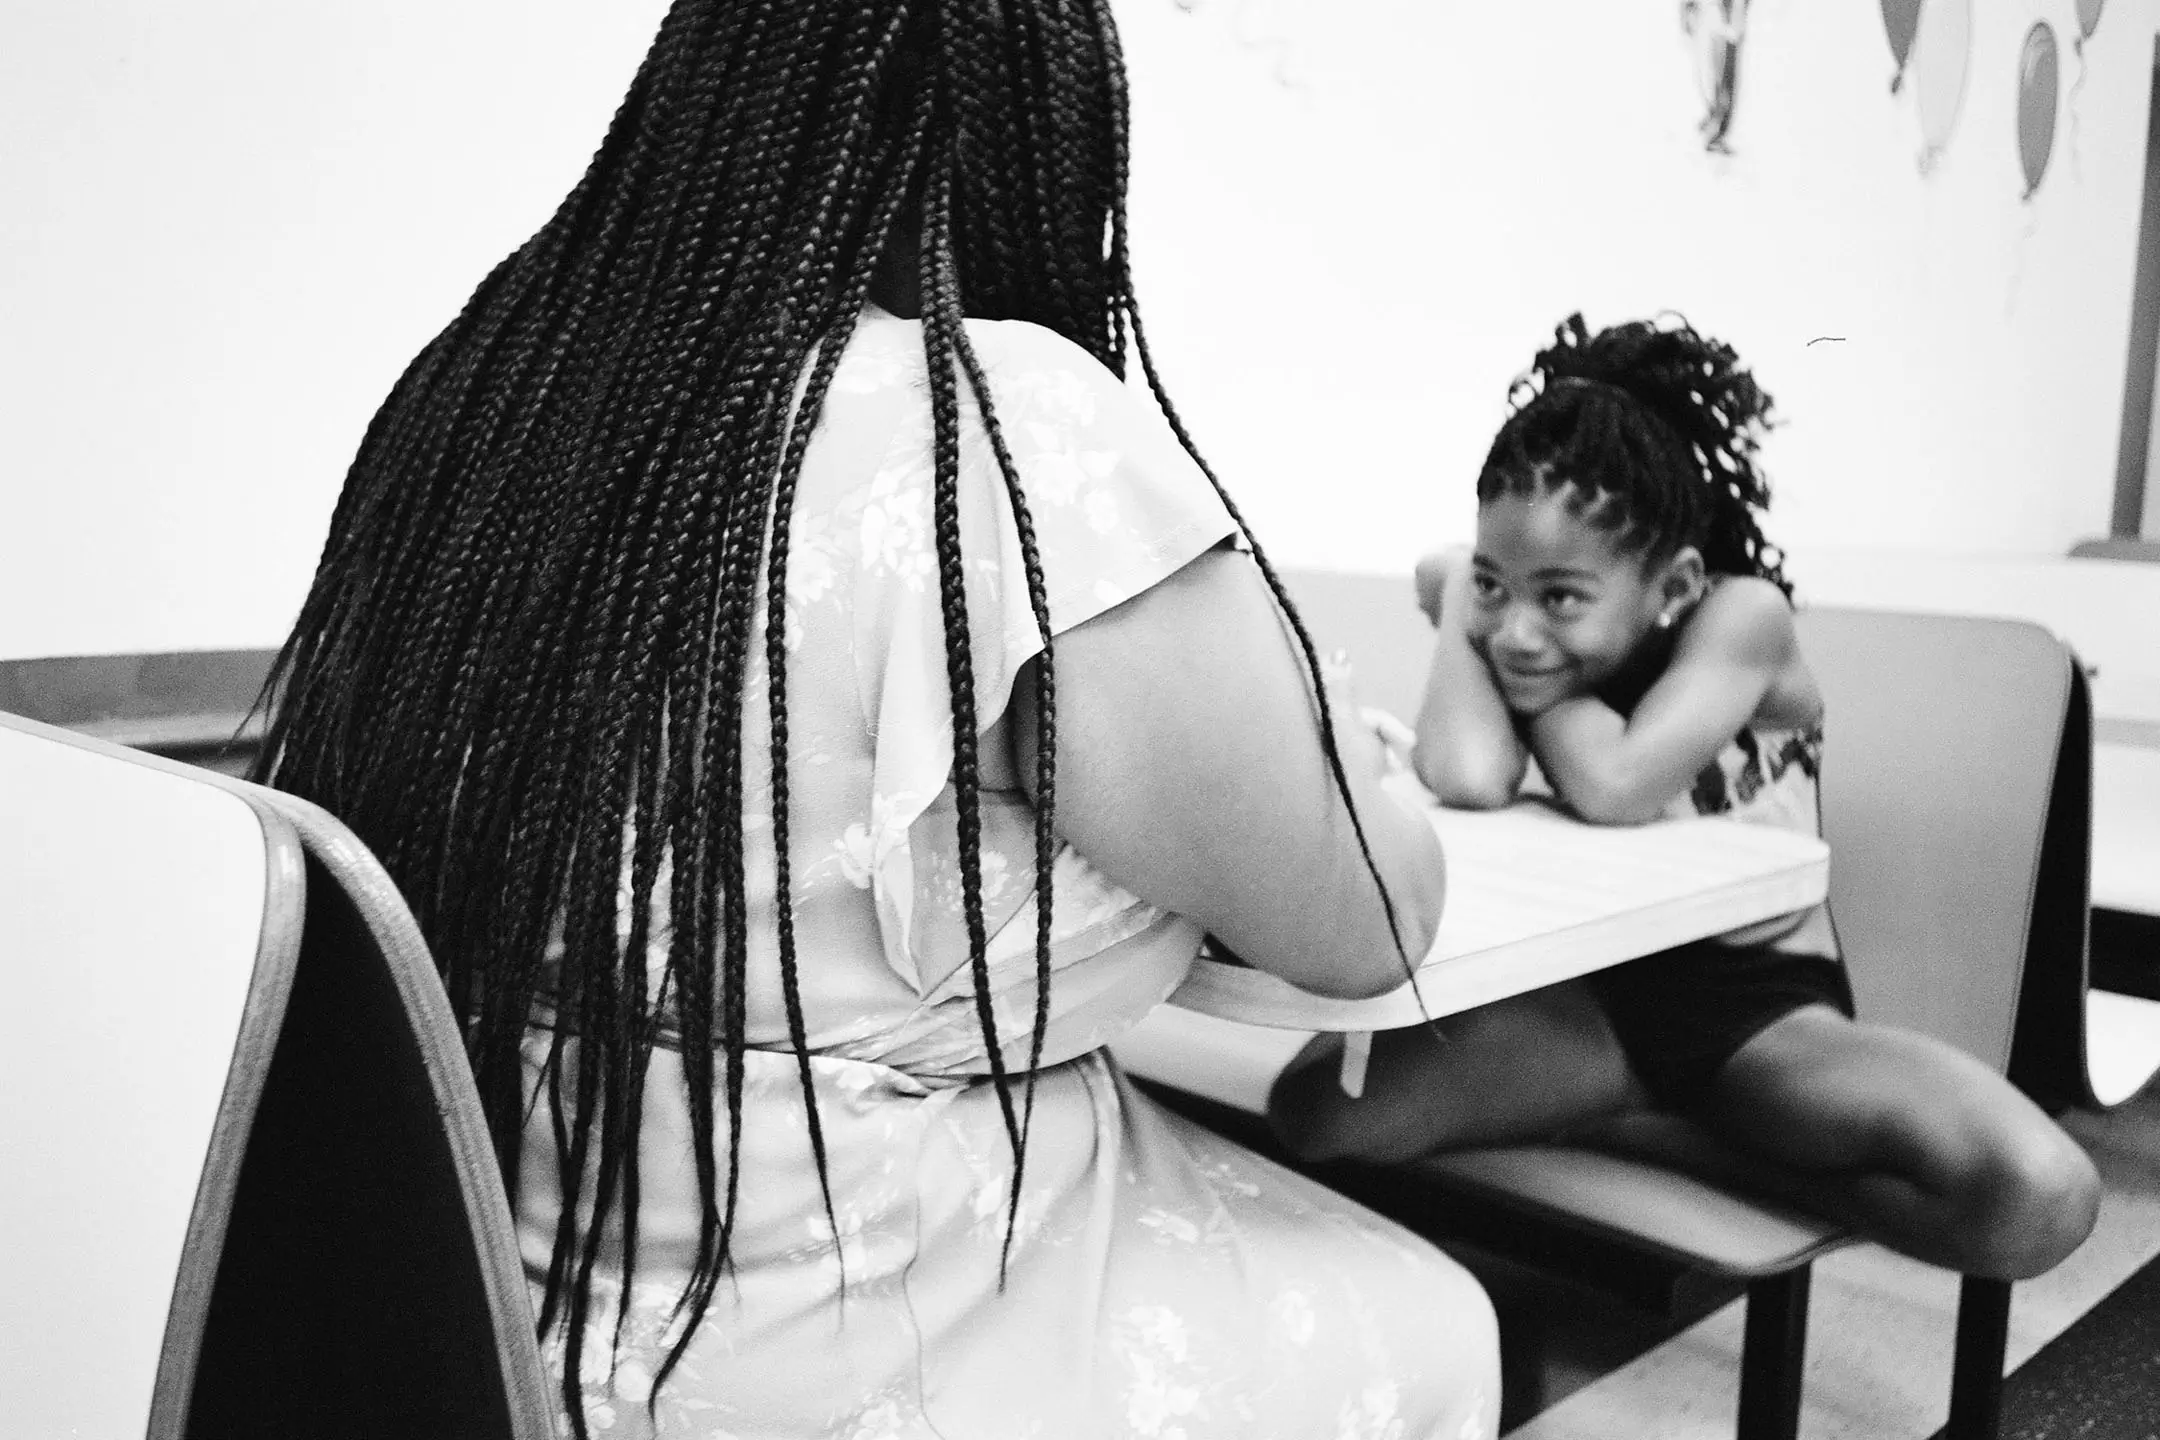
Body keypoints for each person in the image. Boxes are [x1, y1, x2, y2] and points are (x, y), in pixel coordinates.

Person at [253, 3, 1500, 1436]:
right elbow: (1367, 920)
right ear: (1028, 137)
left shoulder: (480, 403)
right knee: (1437, 1318)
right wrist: (1350, 749)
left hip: (487, 1306)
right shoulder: (996, 435)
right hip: (842, 1327)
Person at [1268, 313, 2102, 1284]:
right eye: (1497, 582)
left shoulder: (1740, 620)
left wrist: (1496, 624)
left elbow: (1617, 784)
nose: (1521, 629)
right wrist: (1470, 602)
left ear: (1674, 584)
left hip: (1755, 1019)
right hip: (1580, 1004)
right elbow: (1466, 774)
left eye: (1563, 597)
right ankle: (1632, 1110)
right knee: (1318, 1109)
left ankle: (1662, 1130)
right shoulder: (1517, 626)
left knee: (2038, 1194)